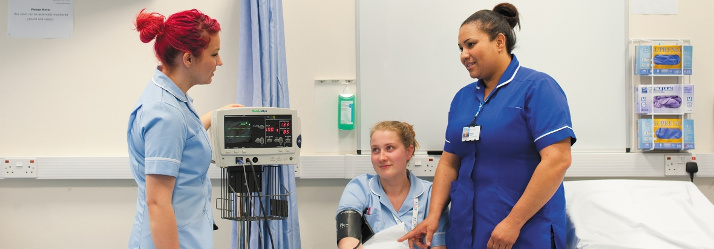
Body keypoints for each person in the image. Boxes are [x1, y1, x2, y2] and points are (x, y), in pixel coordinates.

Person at [399, 3, 576, 249]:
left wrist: (513, 223)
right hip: (466, 232)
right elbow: (450, 162)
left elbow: (557, 160)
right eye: (460, 48)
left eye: (471, 44)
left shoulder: (538, 88)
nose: (463, 54)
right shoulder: (463, 98)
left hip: (524, 232)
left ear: (499, 42)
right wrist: (433, 216)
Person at [127, 9, 242, 249]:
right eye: (215, 54)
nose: (219, 62)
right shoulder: (165, 113)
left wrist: (215, 115)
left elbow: (181, 139)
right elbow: (158, 202)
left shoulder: (171, 100)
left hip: (187, 236)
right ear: (188, 59)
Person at [336, 121, 449, 249]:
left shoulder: (431, 194)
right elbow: (348, 242)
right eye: (375, 150)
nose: (381, 157)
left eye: (389, 148)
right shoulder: (358, 188)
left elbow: (438, 246)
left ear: (408, 151)